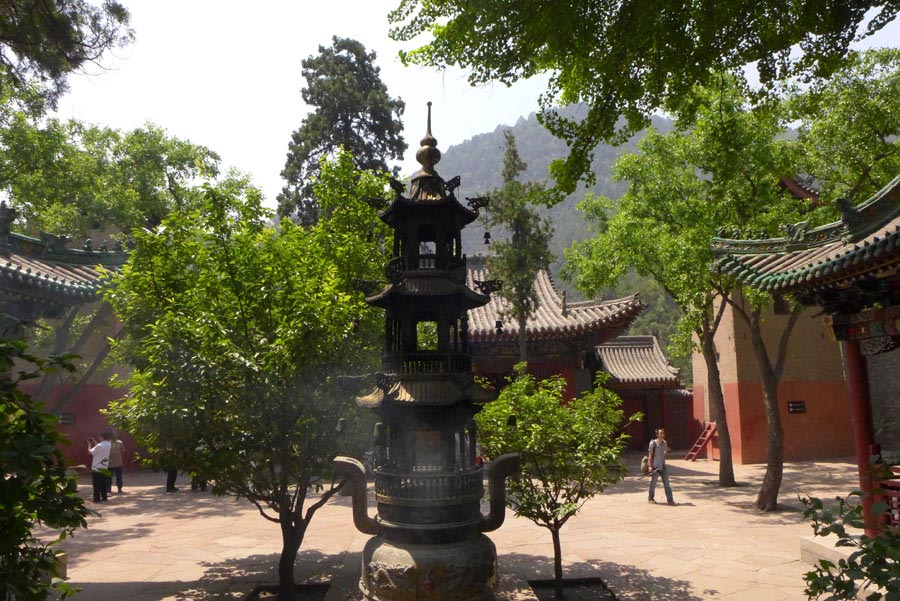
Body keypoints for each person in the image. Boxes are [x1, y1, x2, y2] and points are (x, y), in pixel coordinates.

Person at [648, 427, 675, 506]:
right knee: (653, 483)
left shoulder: (665, 443)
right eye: (661, 433)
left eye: (663, 433)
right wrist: (650, 466)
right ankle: (650, 498)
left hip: (662, 466)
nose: (663, 435)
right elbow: (650, 455)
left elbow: (665, 452)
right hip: (655, 466)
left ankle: (670, 500)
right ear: (657, 435)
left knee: (667, 484)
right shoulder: (653, 443)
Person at [88, 432, 112, 502]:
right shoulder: (109, 444)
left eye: (99, 436)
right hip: (104, 467)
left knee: (96, 484)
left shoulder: (99, 445)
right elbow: (99, 447)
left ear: (102, 436)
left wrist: (89, 445)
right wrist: (94, 441)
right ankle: (104, 497)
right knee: (103, 483)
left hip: (97, 467)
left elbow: (90, 452)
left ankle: (97, 498)